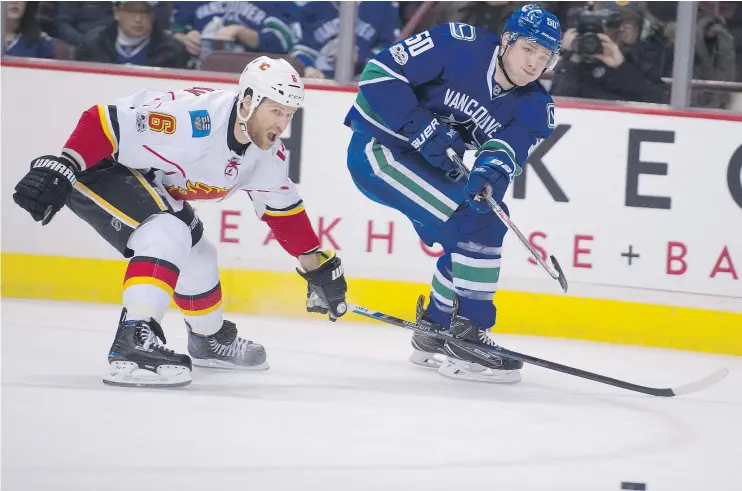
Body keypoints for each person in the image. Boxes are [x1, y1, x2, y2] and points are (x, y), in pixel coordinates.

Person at [12, 56, 348, 388]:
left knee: (200, 255)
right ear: (247, 101)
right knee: (166, 231)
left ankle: (207, 340)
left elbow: (284, 212)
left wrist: (316, 267)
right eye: (275, 111)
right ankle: (133, 340)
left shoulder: (266, 156)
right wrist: (65, 164)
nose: (281, 124)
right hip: (99, 165)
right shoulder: (196, 119)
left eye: (288, 114)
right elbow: (103, 121)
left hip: (147, 179)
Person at [344, 4, 560, 384]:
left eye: (545, 57)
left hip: (432, 168)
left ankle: (436, 329)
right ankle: (468, 338)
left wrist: (488, 173)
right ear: (507, 39)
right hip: (380, 152)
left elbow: (507, 151)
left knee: (473, 226)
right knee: (480, 225)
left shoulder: (535, 106)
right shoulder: (457, 45)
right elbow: (379, 74)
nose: (534, 64)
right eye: (528, 49)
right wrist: (419, 126)